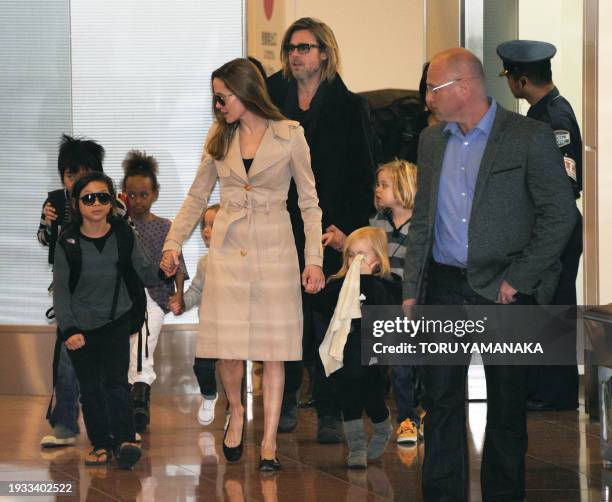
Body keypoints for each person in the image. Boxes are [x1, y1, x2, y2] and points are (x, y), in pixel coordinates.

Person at [402, 48, 576, 501]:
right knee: (439, 404)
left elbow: (560, 216)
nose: (426, 99)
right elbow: (422, 221)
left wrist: (519, 278)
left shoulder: (528, 137)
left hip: (504, 292)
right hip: (442, 286)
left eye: (432, 89)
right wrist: (410, 290)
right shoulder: (431, 142)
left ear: (463, 87)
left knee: (505, 408)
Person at [160, 58, 324, 471]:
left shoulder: (290, 135)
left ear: (245, 91)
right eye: (214, 98)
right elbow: (197, 198)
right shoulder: (219, 138)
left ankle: (268, 441)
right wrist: (172, 242)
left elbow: (308, 202)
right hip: (229, 252)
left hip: (276, 249)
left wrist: (314, 260)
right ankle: (235, 410)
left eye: (222, 97)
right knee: (228, 351)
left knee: (274, 352)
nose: (217, 105)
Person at [267, 17, 376, 441]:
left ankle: (330, 409)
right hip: (281, 227)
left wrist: (347, 230)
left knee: (330, 322)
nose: (296, 55)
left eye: (305, 47)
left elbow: (362, 175)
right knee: (287, 319)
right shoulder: (272, 98)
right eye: (292, 48)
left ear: (325, 54)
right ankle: (289, 397)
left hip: (332, 230)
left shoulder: (350, 107)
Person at [53, 172, 162, 469]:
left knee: (117, 383)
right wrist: (69, 329)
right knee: (90, 390)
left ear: (112, 201)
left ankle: (125, 441)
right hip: (80, 327)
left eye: (103, 197)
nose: (97, 204)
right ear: (77, 204)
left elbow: (144, 270)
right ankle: (100, 444)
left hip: (116, 319)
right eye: (89, 198)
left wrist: (165, 270)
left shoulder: (123, 235)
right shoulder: (67, 242)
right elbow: (61, 292)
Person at [497, 39, 582, 412]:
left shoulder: (553, 119)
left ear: (522, 80)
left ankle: (555, 393)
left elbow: (562, 188)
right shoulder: (541, 115)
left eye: (510, 78)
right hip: (544, 229)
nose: (509, 85)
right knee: (542, 307)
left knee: (554, 307)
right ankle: (543, 389)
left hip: (554, 230)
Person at [37, 134, 107, 449]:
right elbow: (42, 238)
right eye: (70, 174)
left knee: (106, 361)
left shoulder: (106, 199)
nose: (77, 181)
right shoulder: (55, 200)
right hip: (67, 290)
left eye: (84, 172)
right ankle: (65, 423)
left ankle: (111, 426)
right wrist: (47, 222)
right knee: (66, 357)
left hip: (104, 292)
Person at [315, 227, 401, 468]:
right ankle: (356, 447)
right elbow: (322, 305)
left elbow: (389, 307)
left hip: (375, 354)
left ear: (378, 258)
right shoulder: (340, 284)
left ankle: (383, 427)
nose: (355, 260)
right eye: (351, 255)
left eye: (362, 254)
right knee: (349, 400)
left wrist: (367, 279)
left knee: (374, 398)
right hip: (348, 353)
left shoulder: (389, 283)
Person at [121, 150, 188, 433]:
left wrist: (180, 294)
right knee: (128, 347)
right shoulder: (118, 226)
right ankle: (132, 399)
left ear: (155, 194)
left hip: (156, 296)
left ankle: (139, 398)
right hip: (123, 298)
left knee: (143, 342)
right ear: (123, 194)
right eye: (132, 195)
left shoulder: (165, 227)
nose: (137, 201)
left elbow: (179, 264)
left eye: (143, 194)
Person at [369, 159, 422, 445]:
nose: (378, 190)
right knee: (395, 365)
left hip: (414, 302)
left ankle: (414, 415)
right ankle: (406, 417)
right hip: (386, 302)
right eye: (378, 184)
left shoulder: (422, 224)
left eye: (385, 185)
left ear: (405, 187)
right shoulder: (377, 222)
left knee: (413, 365)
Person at [168, 204, 221, 426]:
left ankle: (234, 409)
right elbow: (196, 291)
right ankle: (209, 395)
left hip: (235, 328)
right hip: (209, 327)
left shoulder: (241, 262)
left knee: (233, 372)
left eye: (213, 225)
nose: (206, 231)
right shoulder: (204, 263)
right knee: (202, 366)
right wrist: (181, 302)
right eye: (204, 225)